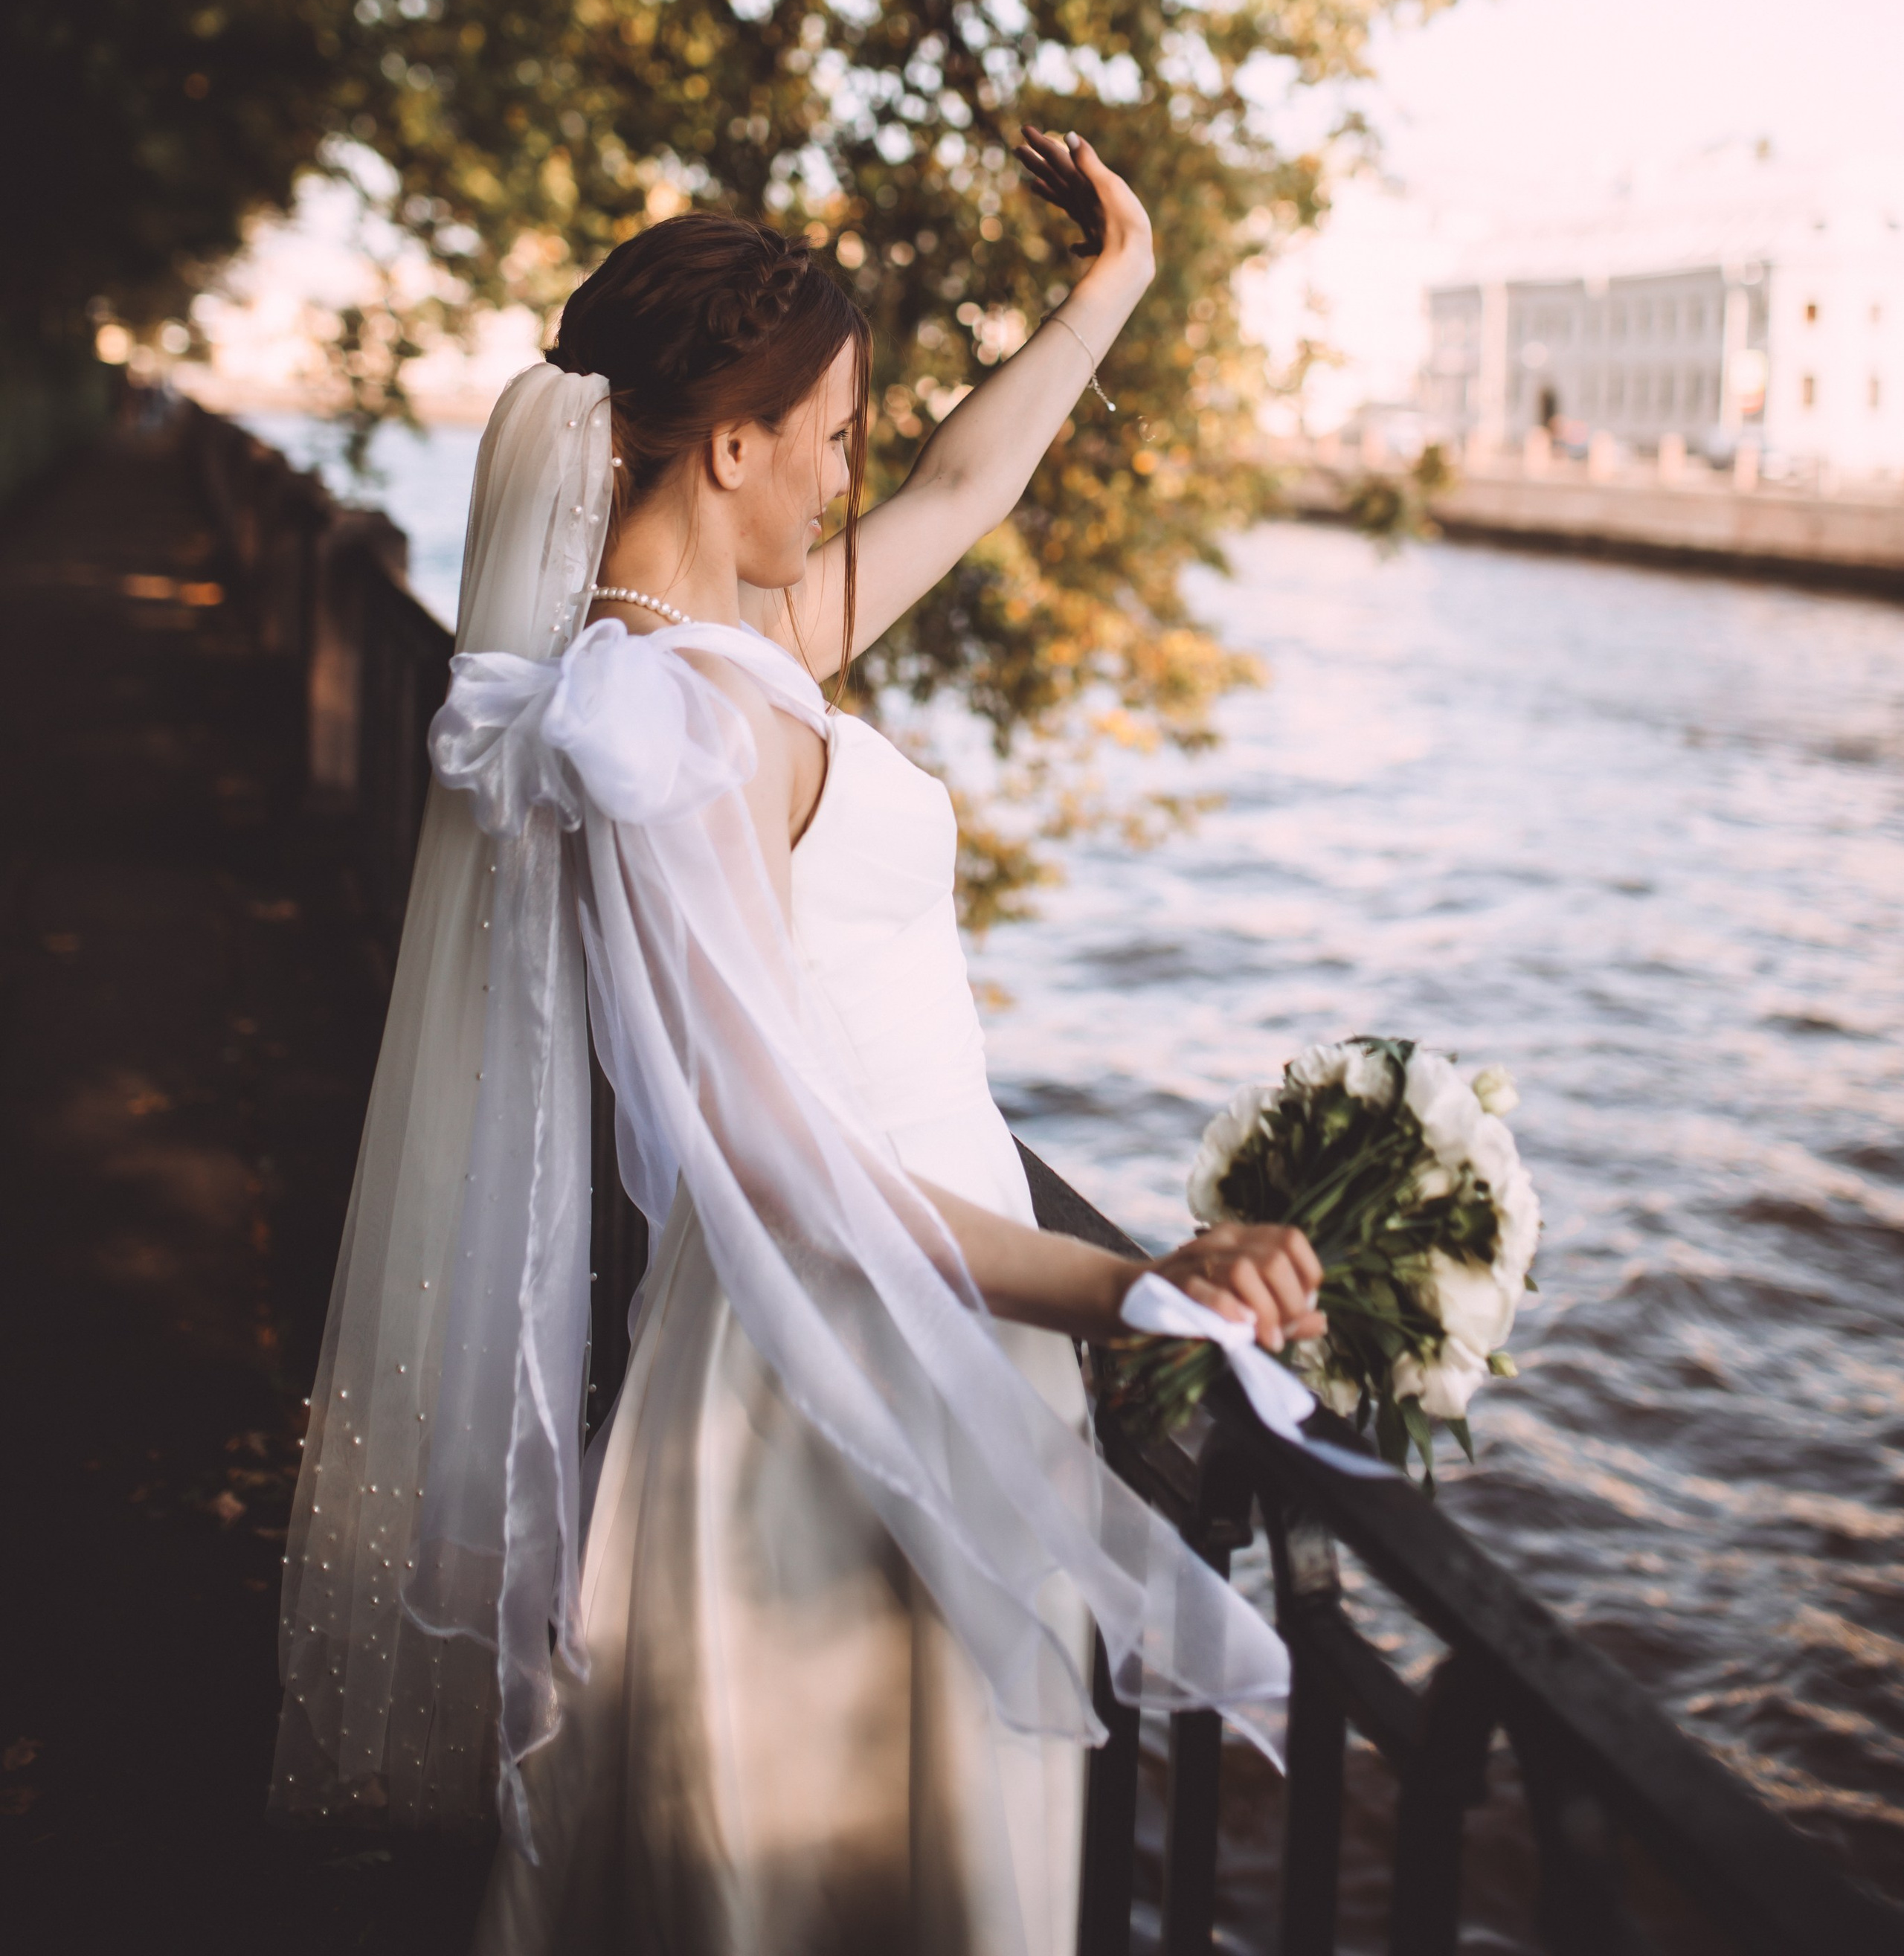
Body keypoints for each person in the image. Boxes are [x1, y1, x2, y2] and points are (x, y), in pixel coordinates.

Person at [272, 130, 1323, 1956]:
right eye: (827, 435)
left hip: (904, 1305)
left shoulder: (729, 661)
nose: (851, 473)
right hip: (833, 1361)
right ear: (728, 440)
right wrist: (1128, 1283)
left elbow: (966, 482)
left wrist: (1113, 284)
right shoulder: (675, 722)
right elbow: (778, 1155)